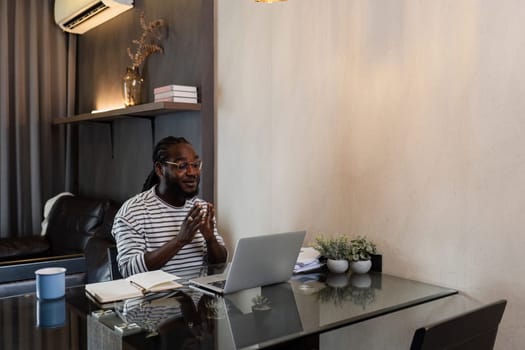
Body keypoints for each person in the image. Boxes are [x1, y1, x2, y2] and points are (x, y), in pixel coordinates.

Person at [112, 136, 227, 277]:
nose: (192, 173)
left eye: (195, 165)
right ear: (160, 169)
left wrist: (210, 239)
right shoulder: (133, 211)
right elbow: (129, 270)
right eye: (182, 166)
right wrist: (179, 241)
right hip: (154, 298)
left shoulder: (201, 208)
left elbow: (220, 265)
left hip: (198, 296)